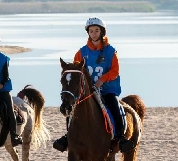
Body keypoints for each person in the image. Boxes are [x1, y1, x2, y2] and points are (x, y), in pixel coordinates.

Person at [53, 17, 134, 153]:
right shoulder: (81, 52)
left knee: (115, 107)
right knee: (72, 109)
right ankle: (68, 136)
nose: (94, 33)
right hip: (87, 91)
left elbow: (115, 71)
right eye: (91, 31)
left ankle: (120, 138)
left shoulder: (110, 51)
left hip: (107, 89)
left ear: (102, 32)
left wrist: (102, 80)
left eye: (97, 30)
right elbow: (75, 71)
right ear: (88, 33)